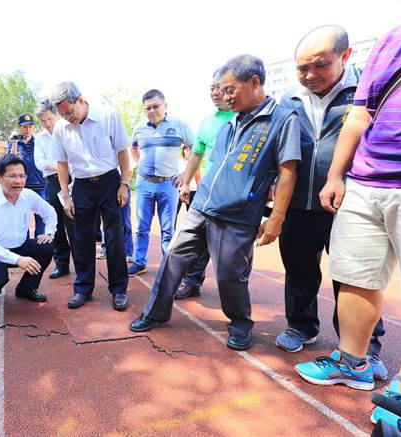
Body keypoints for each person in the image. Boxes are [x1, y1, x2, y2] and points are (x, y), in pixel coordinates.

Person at [129, 54, 301, 352]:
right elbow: (213, 162)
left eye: (230, 89)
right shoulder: (229, 123)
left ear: (255, 82)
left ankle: (240, 325)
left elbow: (288, 171)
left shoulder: (282, 119)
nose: (224, 96)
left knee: (229, 275)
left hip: (237, 215)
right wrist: (190, 185)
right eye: (221, 90)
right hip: (201, 207)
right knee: (172, 258)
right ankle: (155, 312)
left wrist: (276, 219)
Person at [295, 26, 401, 422]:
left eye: (319, 64)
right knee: (357, 275)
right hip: (367, 178)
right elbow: (360, 115)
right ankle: (353, 364)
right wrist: (337, 174)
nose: (308, 74)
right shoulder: (391, 40)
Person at [276, 26, 387, 379]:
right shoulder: (289, 100)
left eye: (319, 65)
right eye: (301, 68)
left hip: (350, 204)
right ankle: (301, 326)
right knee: (298, 269)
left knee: (354, 277)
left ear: (345, 56)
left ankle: (364, 347)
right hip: (297, 204)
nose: (309, 75)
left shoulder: (367, 93)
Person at [50, 81, 132, 311]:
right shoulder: (60, 128)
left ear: (81, 100)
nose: (68, 118)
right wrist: (65, 196)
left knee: (115, 238)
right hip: (82, 186)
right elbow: (62, 163)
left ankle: (118, 290)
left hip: (110, 182)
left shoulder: (108, 116)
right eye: (63, 114)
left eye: (70, 112)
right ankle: (83, 288)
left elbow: (123, 151)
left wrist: (124, 184)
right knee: (81, 238)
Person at [175, 72, 235, 299]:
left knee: (230, 247)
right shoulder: (207, 122)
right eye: (211, 88)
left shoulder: (244, 118)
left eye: (219, 87)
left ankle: (234, 295)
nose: (214, 93)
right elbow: (196, 155)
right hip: (207, 191)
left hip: (235, 194)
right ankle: (192, 280)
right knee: (195, 238)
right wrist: (185, 183)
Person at [128, 89, 194, 277]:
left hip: (169, 185)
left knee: (168, 229)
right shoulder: (140, 127)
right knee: (142, 227)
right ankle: (139, 262)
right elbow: (133, 147)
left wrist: (185, 174)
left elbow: (196, 149)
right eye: (147, 108)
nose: (152, 110)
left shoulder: (179, 125)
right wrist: (139, 164)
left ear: (166, 105)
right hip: (145, 184)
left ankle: (168, 265)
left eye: (156, 106)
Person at [0, 154, 57, 304]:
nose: (18, 181)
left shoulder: (28, 195)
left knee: (46, 246)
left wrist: (49, 232)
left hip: (20, 245)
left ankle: (26, 288)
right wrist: (17, 259)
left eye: (22, 176)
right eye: (12, 176)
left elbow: (50, 212)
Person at [34, 99, 74, 279]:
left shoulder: (68, 129)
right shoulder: (39, 139)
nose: (47, 124)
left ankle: (81, 264)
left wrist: (65, 168)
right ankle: (61, 264)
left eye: (49, 119)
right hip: (52, 182)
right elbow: (39, 162)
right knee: (55, 222)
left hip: (73, 179)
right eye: (43, 121)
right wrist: (60, 167)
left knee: (74, 222)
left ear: (56, 115)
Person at [7, 114, 46, 237]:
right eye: (24, 126)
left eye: (30, 126)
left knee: (41, 218)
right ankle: (25, 245)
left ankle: (40, 247)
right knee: (23, 218)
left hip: (40, 185)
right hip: (22, 186)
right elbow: (11, 159)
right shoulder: (14, 142)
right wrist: (14, 142)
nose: (28, 129)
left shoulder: (39, 141)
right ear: (19, 127)